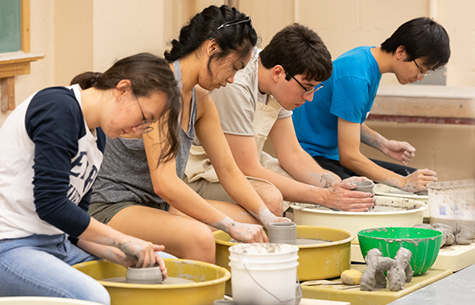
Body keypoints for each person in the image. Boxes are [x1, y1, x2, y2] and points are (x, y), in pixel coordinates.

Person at [89, 5, 289, 265]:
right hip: (113, 204)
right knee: (200, 237)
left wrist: (267, 217)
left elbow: (228, 170)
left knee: (256, 226)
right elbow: (165, 183)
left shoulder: (201, 100)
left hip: (156, 204)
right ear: (212, 48)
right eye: (234, 67)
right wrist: (229, 225)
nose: (232, 79)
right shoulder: (160, 92)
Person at [0, 53, 180, 304]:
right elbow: (50, 205)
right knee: (93, 297)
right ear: (123, 90)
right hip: (11, 246)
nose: (139, 131)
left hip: (58, 245)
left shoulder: (99, 135)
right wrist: (124, 239)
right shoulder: (59, 109)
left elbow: (76, 229)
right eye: (143, 118)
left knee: (170, 267)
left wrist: (118, 253)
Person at [184, 23, 375, 213]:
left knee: (303, 187)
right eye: (307, 88)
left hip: (243, 166)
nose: (310, 98)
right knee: (271, 197)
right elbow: (247, 169)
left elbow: (291, 152)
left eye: (315, 88)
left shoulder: (277, 80)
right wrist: (325, 197)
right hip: (201, 173)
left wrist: (337, 185)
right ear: (278, 73)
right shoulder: (236, 84)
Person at [292, 17, 450, 193]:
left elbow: (347, 119)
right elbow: (350, 158)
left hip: (330, 155)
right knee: (393, 190)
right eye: (421, 68)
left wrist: (383, 144)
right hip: (311, 157)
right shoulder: (357, 77)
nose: (420, 76)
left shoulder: (367, 59)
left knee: (426, 186)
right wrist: (403, 182)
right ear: (401, 52)